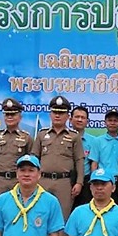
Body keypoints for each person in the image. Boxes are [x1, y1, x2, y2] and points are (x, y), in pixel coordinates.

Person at [33, 95, 85, 225]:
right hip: (43, 181)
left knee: (62, 218)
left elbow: (79, 160)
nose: (57, 115)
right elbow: (34, 159)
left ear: (67, 116)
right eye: (55, 112)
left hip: (64, 183)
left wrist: (79, 183)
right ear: (50, 114)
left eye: (61, 113)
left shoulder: (74, 136)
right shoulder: (42, 134)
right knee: (40, 216)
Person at [0, 97, 33, 204]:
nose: (10, 117)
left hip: (18, 181)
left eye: (13, 114)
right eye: (7, 114)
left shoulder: (27, 137)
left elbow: (32, 163)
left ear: (20, 117)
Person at [90, 109, 118, 206]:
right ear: (105, 122)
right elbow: (94, 163)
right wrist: (93, 180)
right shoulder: (97, 141)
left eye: (115, 120)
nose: (112, 123)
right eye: (110, 120)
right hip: (102, 181)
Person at [70, 105, 96, 208]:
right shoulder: (64, 137)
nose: (79, 120)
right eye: (77, 117)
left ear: (87, 121)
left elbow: (94, 163)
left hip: (86, 181)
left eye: (83, 117)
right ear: (70, 119)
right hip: (67, 180)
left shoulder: (93, 141)